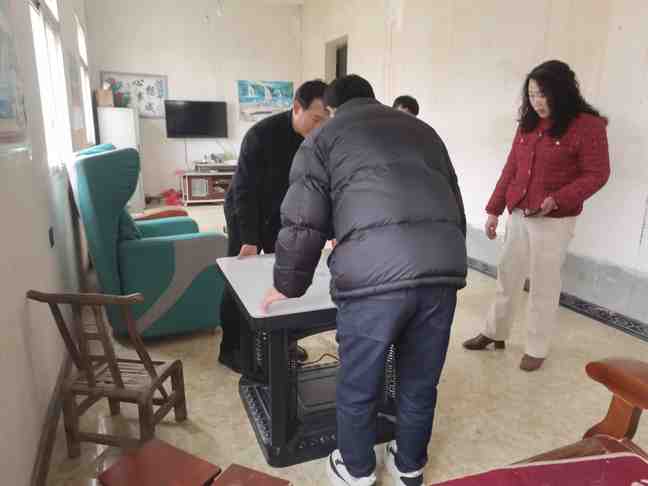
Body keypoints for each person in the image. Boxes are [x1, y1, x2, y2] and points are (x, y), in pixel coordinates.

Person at [263, 75, 467, 486]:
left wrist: (287, 285)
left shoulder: (323, 139)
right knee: (420, 379)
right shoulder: (424, 131)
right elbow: (454, 204)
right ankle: (409, 466)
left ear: (331, 108)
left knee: (359, 382)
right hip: (440, 273)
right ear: (373, 98)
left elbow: (303, 220)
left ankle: (356, 470)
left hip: (374, 281)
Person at [463, 60, 610, 371]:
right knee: (507, 274)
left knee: (543, 284)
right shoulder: (528, 124)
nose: (537, 102)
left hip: (554, 220)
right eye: (531, 94)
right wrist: (493, 210)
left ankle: (536, 346)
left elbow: (597, 174)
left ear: (562, 91)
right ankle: (495, 331)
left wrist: (558, 199)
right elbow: (511, 168)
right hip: (518, 212)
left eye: (543, 94)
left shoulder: (587, 125)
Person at [218, 79, 329, 373]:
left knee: (283, 274)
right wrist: (249, 238)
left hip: (283, 213)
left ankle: (282, 344)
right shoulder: (260, 135)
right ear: (297, 108)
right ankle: (233, 349)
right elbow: (244, 191)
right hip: (246, 212)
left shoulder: (318, 141)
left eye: (325, 120)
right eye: (316, 119)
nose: (320, 126)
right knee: (240, 279)